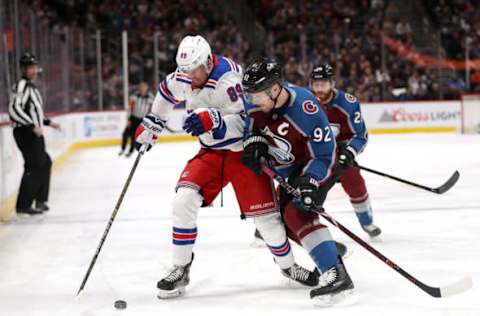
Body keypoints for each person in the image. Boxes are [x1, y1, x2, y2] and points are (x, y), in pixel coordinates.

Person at [134, 35, 318, 299]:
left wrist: (215, 121)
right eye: (185, 71)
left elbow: (248, 122)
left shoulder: (229, 79)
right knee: (183, 200)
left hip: (243, 154)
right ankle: (180, 267)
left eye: (195, 70)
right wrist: (153, 122)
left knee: (266, 219)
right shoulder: (185, 74)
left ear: (208, 61)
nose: (190, 76)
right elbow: (165, 93)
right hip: (211, 153)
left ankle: (289, 268)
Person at [241, 58, 354, 305]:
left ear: (274, 89)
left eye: (257, 95)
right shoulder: (256, 105)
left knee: (297, 212)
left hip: (317, 166)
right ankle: (328, 250)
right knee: (283, 222)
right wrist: (254, 144)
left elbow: (325, 154)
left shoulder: (305, 107)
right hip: (290, 171)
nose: (253, 101)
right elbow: (249, 131)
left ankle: (336, 273)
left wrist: (310, 181)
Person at [310, 63, 381, 237]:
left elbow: (360, 135)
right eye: (316, 84)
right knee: (298, 187)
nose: (319, 89)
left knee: (355, 181)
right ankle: (275, 222)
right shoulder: (304, 101)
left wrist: (349, 152)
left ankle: (366, 221)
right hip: (311, 157)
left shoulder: (347, 104)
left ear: (332, 83)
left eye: (323, 84)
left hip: (339, 155)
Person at [8, 53, 60, 215]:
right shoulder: (22, 85)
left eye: (34, 67)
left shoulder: (31, 87)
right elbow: (14, 109)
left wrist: (48, 122)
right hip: (26, 132)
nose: (33, 70)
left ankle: (39, 200)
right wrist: (32, 126)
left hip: (33, 132)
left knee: (45, 162)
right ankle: (23, 205)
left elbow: (33, 111)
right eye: (29, 68)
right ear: (23, 69)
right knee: (34, 166)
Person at [119, 82, 154, 157]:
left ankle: (131, 151)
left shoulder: (150, 98)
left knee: (134, 136)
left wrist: (149, 119)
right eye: (141, 88)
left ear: (146, 89)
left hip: (142, 120)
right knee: (125, 134)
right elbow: (129, 108)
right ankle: (123, 149)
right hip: (133, 118)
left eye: (144, 88)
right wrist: (128, 119)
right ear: (139, 88)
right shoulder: (134, 97)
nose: (143, 89)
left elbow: (152, 109)